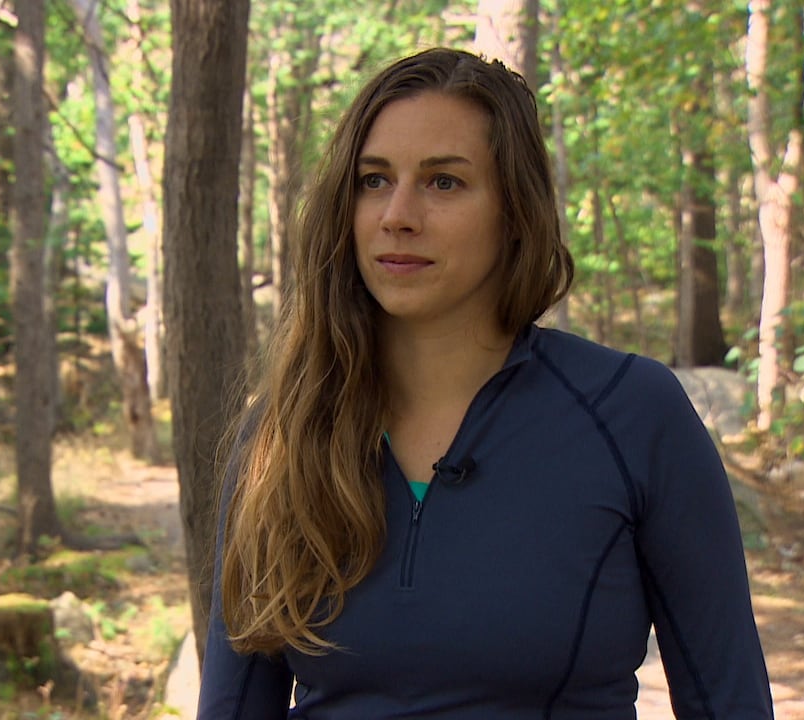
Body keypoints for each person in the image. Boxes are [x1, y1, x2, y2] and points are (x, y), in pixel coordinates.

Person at [197, 47, 774, 719]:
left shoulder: (633, 416)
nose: (398, 214)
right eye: (374, 180)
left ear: (514, 212)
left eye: (444, 182)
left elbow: (728, 700)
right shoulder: (284, 432)